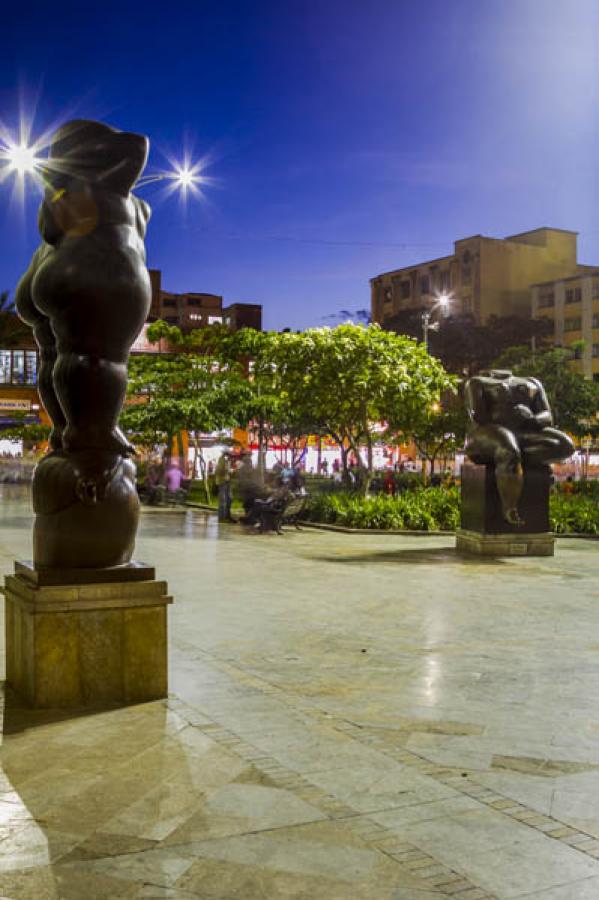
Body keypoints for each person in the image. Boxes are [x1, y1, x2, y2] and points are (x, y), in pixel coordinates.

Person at [464, 369, 574, 525]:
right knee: (508, 449)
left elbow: (547, 415)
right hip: (487, 433)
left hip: (524, 431)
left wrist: (532, 420)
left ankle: (516, 463)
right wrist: (508, 417)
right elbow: (479, 416)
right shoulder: (478, 383)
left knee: (564, 445)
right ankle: (510, 508)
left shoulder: (532, 382)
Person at [215, 451, 234, 522]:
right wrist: (228, 470)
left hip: (227, 481)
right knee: (223, 501)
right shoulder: (222, 460)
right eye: (230, 455)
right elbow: (219, 471)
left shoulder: (227, 461)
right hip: (222, 482)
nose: (231, 457)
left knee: (229, 499)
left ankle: (227, 516)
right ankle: (222, 518)